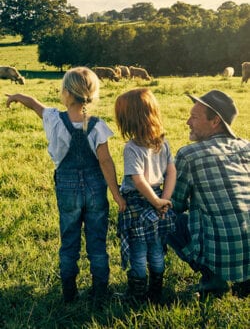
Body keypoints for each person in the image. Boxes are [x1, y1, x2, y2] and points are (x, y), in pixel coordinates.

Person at [6, 66, 126, 304]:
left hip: (67, 188)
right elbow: (105, 161)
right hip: (95, 188)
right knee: (97, 242)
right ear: (91, 93)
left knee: (69, 239)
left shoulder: (53, 119)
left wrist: (18, 97)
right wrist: (117, 195)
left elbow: (35, 104)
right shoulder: (97, 125)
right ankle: (100, 291)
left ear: (66, 93)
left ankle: (69, 293)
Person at [167, 90, 250, 297]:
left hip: (223, 255)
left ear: (215, 122)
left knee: (165, 218)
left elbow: (173, 204)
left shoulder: (189, 155)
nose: (188, 122)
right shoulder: (247, 147)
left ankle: (213, 279)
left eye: (194, 117)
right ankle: (245, 280)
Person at [114, 88, 176, 304]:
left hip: (138, 204)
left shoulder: (131, 148)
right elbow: (171, 172)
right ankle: (156, 291)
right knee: (157, 248)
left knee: (138, 251)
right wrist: (163, 200)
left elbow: (138, 181)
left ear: (130, 120)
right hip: (159, 199)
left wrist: (157, 201)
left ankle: (138, 295)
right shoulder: (163, 142)